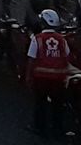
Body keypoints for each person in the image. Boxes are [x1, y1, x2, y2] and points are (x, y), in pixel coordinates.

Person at [26, 9, 71, 137]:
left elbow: (31, 59)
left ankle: (39, 127)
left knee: (40, 103)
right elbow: (67, 57)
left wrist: (28, 77)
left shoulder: (37, 38)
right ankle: (58, 128)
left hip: (41, 78)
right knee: (58, 105)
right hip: (58, 78)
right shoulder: (62, 39)